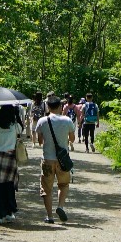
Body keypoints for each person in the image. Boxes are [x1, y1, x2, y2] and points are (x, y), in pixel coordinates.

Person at [37, 95, 78, 223]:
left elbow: (40, 141)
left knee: (46, 189)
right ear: (60, 107)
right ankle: (60, 206)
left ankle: (49, 217)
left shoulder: (42, 121)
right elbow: (72, 139)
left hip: (47, 160)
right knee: (64, 184)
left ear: (48, 107)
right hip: (62, 161)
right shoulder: (67, 121)